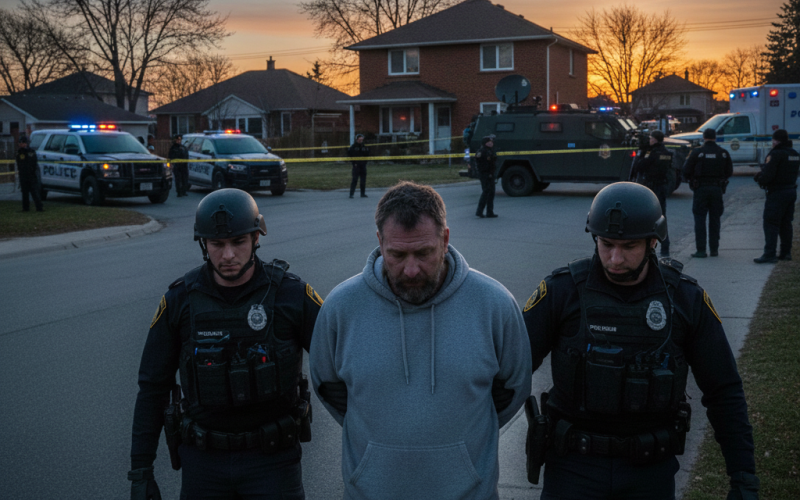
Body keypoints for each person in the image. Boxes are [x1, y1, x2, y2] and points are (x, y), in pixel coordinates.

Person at [522, 182, 758, 500]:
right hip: (573, 468)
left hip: (649, 470)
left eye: (629, 246)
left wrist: (742, 476)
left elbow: (724, 391)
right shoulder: (562, 292)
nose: (615, 258)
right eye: (606, 244)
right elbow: (511, 369)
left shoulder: (686, 300)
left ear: (652, 242)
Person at [310, 181, 531, 500]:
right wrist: (380, 450)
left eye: (424, 253)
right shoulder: (342, 307)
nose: (411, 270)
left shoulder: (493, 305)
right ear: (379, 242)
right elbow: (329, 388)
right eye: (397, 255)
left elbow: (513, 387)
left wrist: (457, 452)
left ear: (445, 239)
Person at [129, 188, 322, 499]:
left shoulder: (291, 295)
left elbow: (342, 365)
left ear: (256, 238)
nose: (228, 255)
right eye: (217, 244)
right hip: (204, 463)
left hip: (272, 461)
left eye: (238, 242)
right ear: (203, 244)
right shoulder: (179, 301)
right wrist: (141, 470)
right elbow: (152, 387)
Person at [682, 128, 733, 258]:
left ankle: (701, 250)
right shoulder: (723, 153)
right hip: (717, 190)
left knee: (700, 220)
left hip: (701, 189)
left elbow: (686, 170)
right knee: (715, 220)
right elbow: (729, 172)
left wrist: (692, 179)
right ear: (715, 137)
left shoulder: (697, 152)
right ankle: (714, 249)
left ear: (704, 137)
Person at [753, 129, 799, 263]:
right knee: (786, 223)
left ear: (776, 141)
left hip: (777, 192)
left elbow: (768, 175)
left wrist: (759, 179)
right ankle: (786, 253)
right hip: (791, 191)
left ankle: (769, 254)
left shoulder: (776, 154)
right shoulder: (794, 153)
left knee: (771, 223)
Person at [630, 130, 672, 257]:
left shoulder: (652, 154)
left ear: (654, 140)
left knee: (647, 217)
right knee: (662, 217)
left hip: (651, 188)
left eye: (651, 138)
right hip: (661, 188)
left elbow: (639, 166)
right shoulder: (667, 153)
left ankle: (646, 247)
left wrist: (641, 153)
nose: (649, 140)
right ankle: (665, 248)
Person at [15, 135, 43, 212]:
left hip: (31, 175)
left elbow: (33, 163)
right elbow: (19, 163)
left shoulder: (30, 152)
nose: (20, 144)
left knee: (34, 192)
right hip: (23, 175)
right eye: (20, 143)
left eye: (22, 143)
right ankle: (25, 208)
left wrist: (32, 173)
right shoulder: (19, 152)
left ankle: (39, 207)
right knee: (24, 192)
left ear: (25, 143)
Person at [475, 135, 498, 218]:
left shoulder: (491, 151)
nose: (491, 143)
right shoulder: (482, 152)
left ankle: (490, 212)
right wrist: (486, 173)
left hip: (491, 174)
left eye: (491, 142)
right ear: (485, 143)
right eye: (489, 142)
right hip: (484, 174)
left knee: (491, 192)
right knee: (486, 192)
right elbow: (480, 164)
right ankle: (479, 211)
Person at [348, 133, 370, 198]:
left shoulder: (364, 147)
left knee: (363, 180)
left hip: (363, 165)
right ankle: (351, 194)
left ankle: (362, 194)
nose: (361, 141)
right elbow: (350, 155)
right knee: (354, 179)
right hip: (356, 165)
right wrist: (353, 163)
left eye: (362, 140)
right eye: (360, 139)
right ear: (357, 139)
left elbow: (367, 155)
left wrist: (365, 162)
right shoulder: (353, 147)